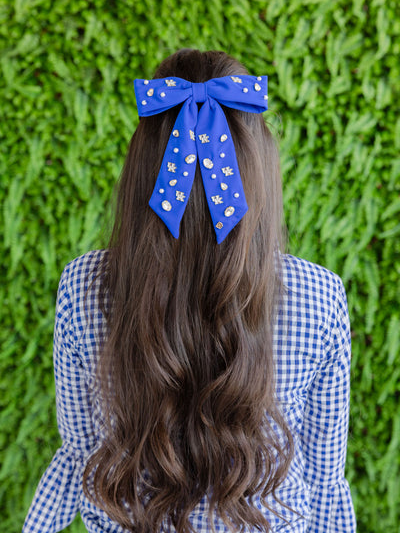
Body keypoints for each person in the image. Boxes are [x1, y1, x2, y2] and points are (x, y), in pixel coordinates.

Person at [22, 49, 357, 533]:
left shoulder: (83, 287)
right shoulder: (318, 295)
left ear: (142, 167)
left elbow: (79, 456)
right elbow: (325, 484)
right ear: (258, 169)